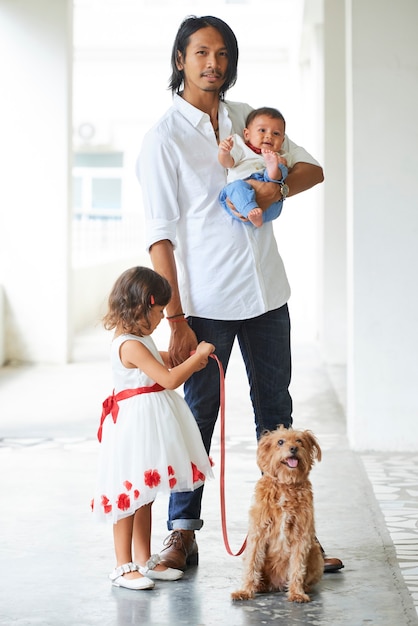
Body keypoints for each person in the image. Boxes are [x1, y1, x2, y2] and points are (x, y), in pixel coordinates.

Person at [137, 15, 344, 574]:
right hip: (205, 305)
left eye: (223, 53)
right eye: (202, 52)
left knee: (278, 414)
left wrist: (270, 184)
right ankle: (181, 533)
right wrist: (174, 319)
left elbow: (312, 170)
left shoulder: (248, 118)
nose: (213, 63)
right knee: (198, 415)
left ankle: (299, 538)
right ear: (180, 58)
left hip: (268, 295)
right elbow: (161, 237)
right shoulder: (163, 139)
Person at [92, 266, 215, 590]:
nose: (162, 317)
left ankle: (145, 560)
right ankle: (122, 566)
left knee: (144, 496)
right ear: (141, 306)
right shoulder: (128, 344)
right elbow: (170, 379)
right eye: (159, 310)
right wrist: (196, 358)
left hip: (147, 425)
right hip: (133, 428)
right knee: (128, 497)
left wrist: (182, 355)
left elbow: (160, 359)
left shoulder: (139, 338)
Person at [218, 106, 293, 227]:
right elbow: (228, 163)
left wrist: (282, 165)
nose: (269, 136)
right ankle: (251, 210)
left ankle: (272, 169)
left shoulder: (282, 154)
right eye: (262, 130)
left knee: (281, 168)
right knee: (235, 187)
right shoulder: (241, 146)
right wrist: (224, 152)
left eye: (276, 133)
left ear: (282, 140)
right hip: (243, 194)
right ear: (247, 134)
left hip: (271, 202)